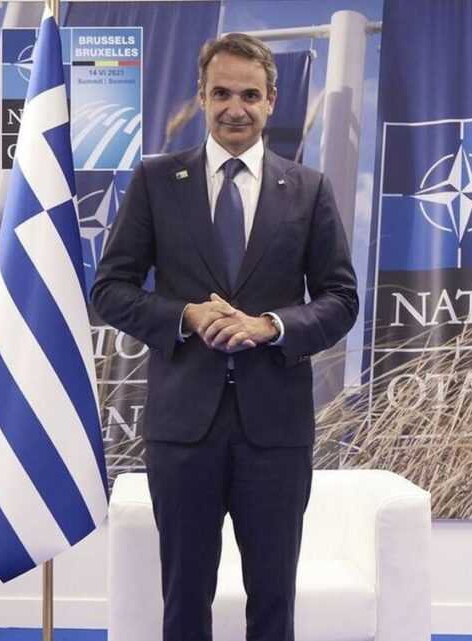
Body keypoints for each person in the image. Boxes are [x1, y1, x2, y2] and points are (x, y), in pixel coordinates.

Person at [92, 33, 358, 641]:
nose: (235, 108)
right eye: (221, 94)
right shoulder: (157, 180)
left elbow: (341, 299)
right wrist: (186, 316)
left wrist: (272, 326)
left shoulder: (310, 188)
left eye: (249, 95)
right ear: (201, 97)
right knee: (185, 600)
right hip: (184, 431)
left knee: (273, 601)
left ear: (271, 101)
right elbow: (110, 289)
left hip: (276, 432)